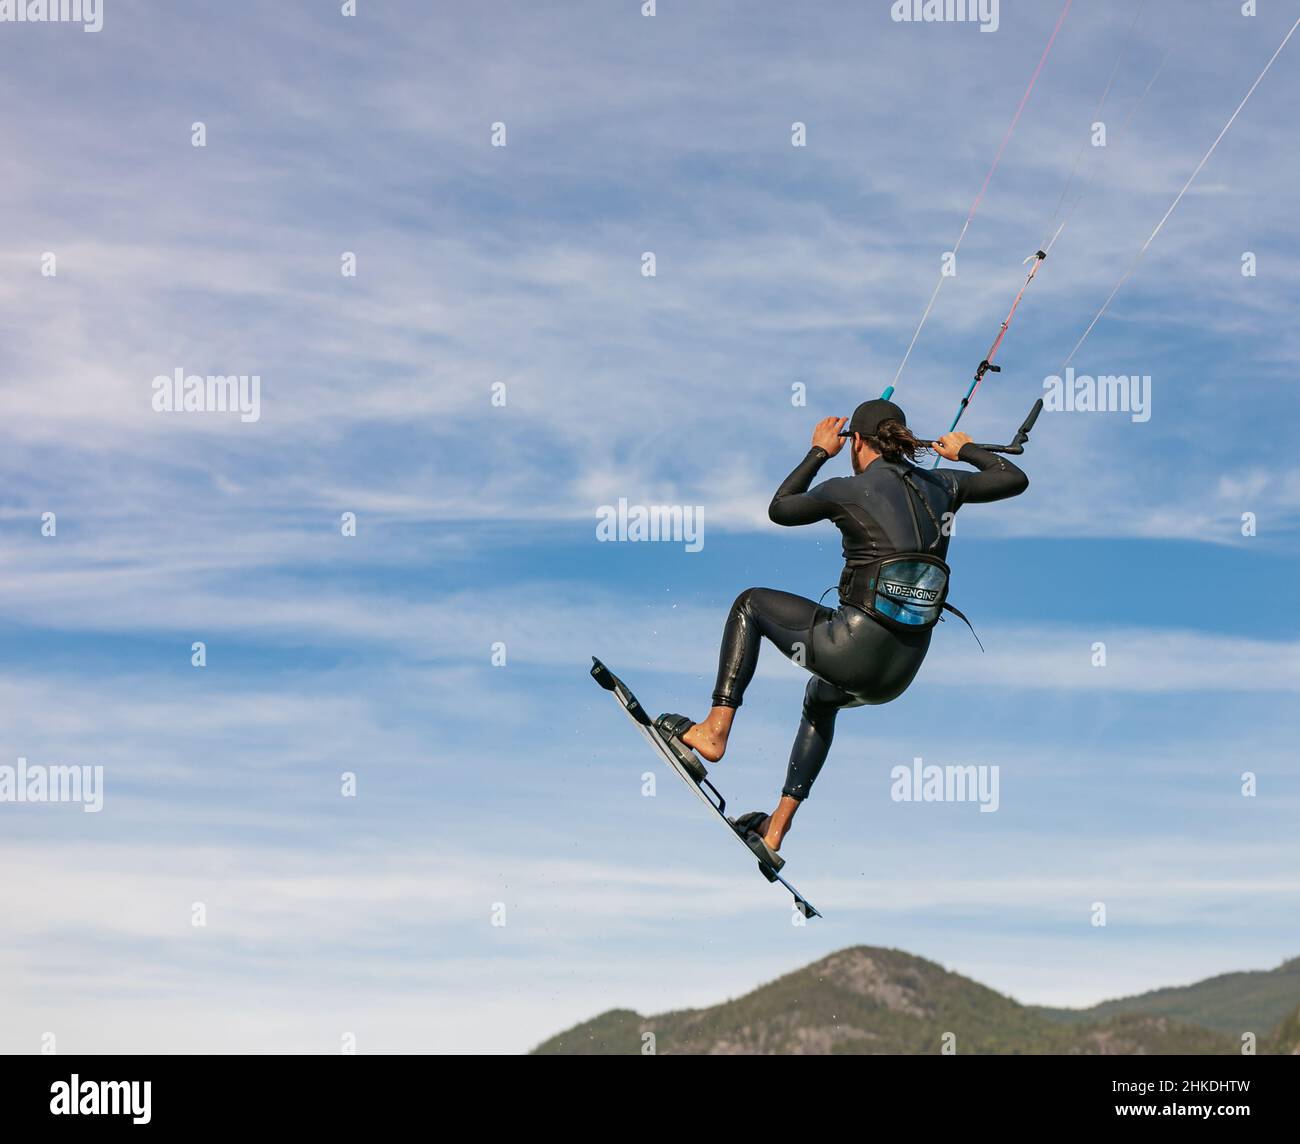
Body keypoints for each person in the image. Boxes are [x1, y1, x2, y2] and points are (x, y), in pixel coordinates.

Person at [654, 398, 1028, 869]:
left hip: (854, 645)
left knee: (750, 603)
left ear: (857, 444)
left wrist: (817, 452)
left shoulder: (848, 487)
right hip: (898, 673)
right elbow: (1014, 478)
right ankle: (776, 829)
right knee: (821, 697)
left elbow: (780, 508)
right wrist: (968, 450)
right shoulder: (944, 485)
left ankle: (713, 733)